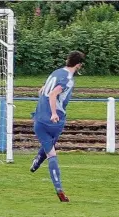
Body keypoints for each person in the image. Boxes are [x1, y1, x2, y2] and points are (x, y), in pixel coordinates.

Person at [29, 50, 85, 202]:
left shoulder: (55, 72)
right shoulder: (67, 79)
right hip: (55, 120)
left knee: (49, 146)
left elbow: (42, 90)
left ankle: (37, 161)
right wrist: (53, 113)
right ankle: (59, 189)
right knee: (52, 153)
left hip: (39, 119)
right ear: (79, 65)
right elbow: (53, 94)